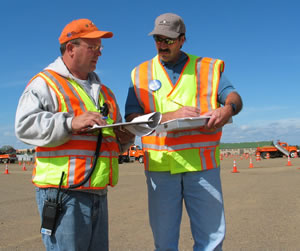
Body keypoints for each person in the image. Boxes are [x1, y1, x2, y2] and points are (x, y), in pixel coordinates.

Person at [125, 13, 243, 251]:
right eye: (158, 38)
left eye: (168, 39)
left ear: (182, 39)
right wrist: (168, 117)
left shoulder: (208, 68)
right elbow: (131, 119)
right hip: (161, 166)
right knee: (164, 240)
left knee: (210, 238)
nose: (161, 44)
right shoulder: (140, 73)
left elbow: (234, 97)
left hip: (202, 166)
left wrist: (228, 109)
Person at [15, 18, 134, 251]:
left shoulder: (105, 93)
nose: (99, 53)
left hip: (98, 192)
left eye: (100, 47)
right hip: (63, 194)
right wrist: (70, 122)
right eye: (93, 47)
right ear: (71, 48)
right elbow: (24, 125)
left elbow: (113, 142)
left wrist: (127, 135)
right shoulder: (45, 83)